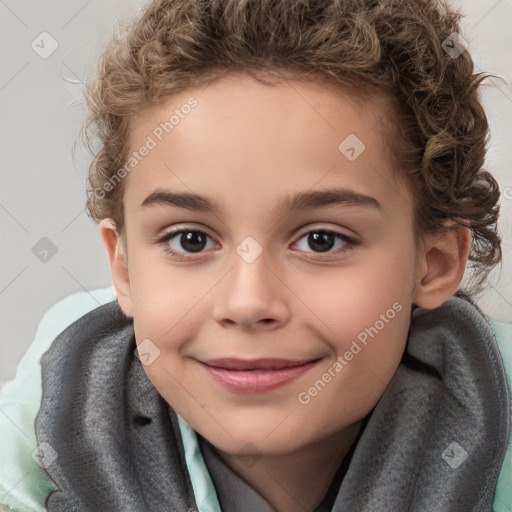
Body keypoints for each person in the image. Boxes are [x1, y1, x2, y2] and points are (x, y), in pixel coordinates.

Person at [1, 0, 511, 510]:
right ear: (125, 268)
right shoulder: (40, 430)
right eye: (191, 240)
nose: (247, 303)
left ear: (436, 262)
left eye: (321, 240)